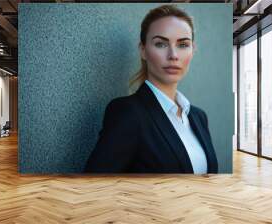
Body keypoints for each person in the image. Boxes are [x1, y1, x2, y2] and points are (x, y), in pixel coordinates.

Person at [84, 5, 218, 174]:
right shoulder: (127, 112)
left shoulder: (198, 116)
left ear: (193, 50)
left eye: (183, 44)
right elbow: (95, 185)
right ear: (143, 51)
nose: (173, 55)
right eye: (161, 44)